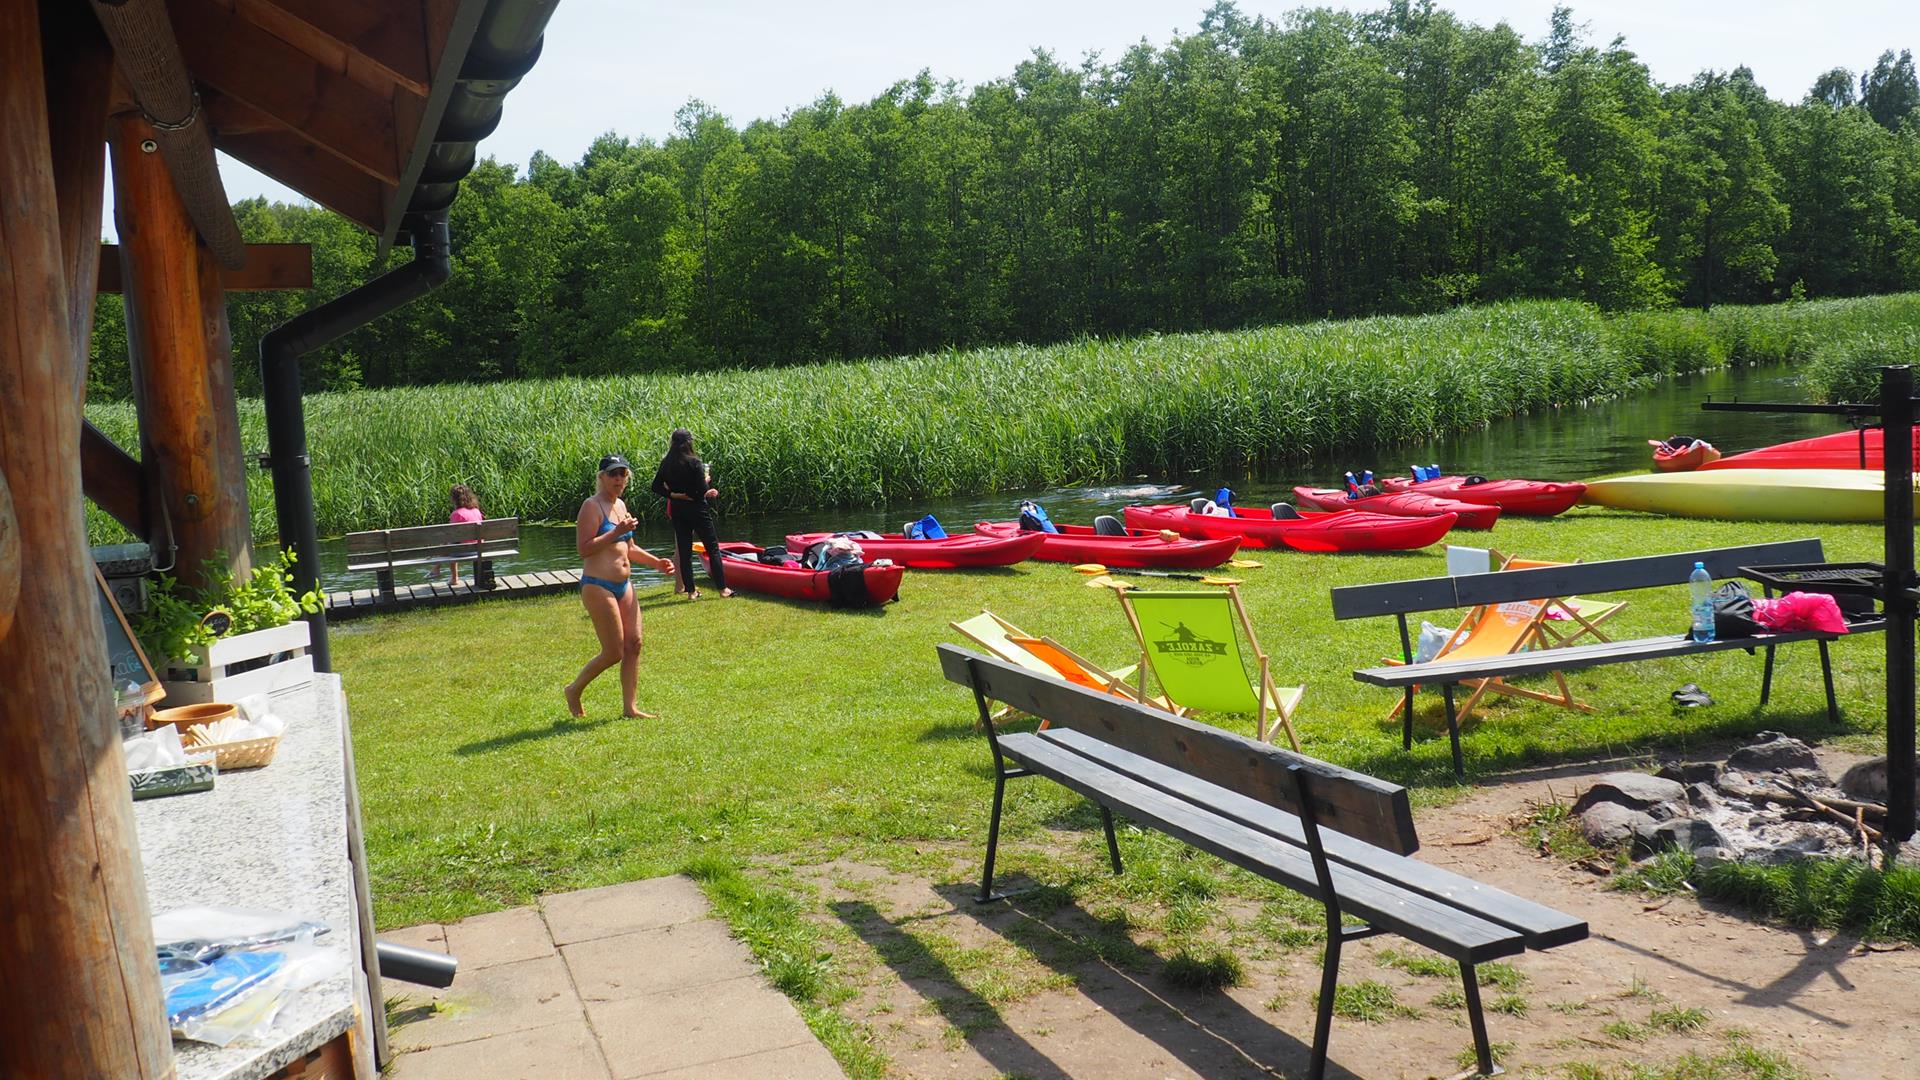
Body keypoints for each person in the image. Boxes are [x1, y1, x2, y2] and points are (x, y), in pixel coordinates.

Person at [565, 455, 674, 719]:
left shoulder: (621, 505)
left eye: (622, 474)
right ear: (601, 477)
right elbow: (584, 549)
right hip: (597, 586)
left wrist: (657, 563)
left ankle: (630, 708)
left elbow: (630, 548)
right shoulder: (591, 506)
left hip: (624, 585)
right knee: (614, 651)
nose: (618, 479)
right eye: (612, 474)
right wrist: (615, 532)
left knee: (634, 644)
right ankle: (574, 689)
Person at [651, 428, 731, 599]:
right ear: (689, 442)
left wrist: (672, 495)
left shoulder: (666, 463)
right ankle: (723, 589)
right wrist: (706, 480)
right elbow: (701, 490)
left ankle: (691, 592)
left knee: (684, 550)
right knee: (712, 547)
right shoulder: (694, 462)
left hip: (678, 509)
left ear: (672, 443)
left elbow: (655, 486)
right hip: (697, 509)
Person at [426, 484, 484, 586]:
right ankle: (436, 569)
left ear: (454, 499)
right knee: (449, 544)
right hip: (479, 548)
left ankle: (451, 576)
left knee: (448, 545)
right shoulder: (476, 511)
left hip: (464, 550)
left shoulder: (457, 514)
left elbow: (452, 536)